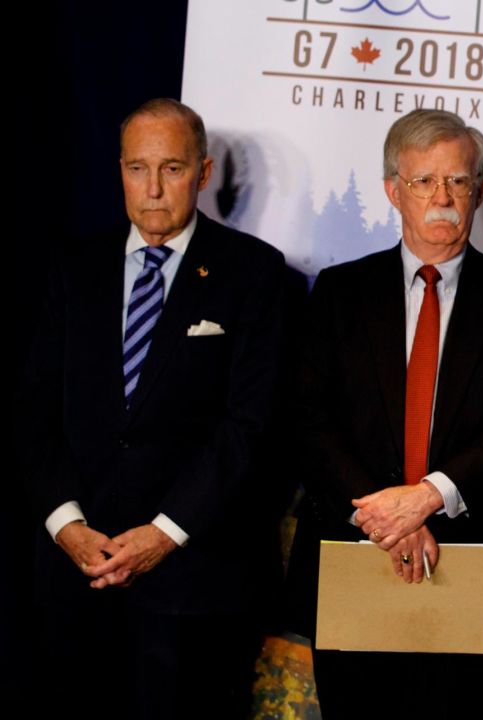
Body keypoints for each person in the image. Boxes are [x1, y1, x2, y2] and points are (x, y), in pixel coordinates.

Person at [286, 109, 483, 718]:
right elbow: (308, 422)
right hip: (353, 559)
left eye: (459, 181)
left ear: (481, 190)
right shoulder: (338, 294)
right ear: (393, 190)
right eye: (423, 182)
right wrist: (385, 512)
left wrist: (429, 497)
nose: (442, 198)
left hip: (473, 569)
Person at [21, 98, 292, 718]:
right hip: (76, 581)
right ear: (119, 170)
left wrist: (163, 534)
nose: (152, 189)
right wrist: (67, 526)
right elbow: (34, 415)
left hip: (195, 586)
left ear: (203, 172)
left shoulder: (255, 274)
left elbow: (250, 429)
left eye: (171, 169)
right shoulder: (73, 269)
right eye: (137, 169)